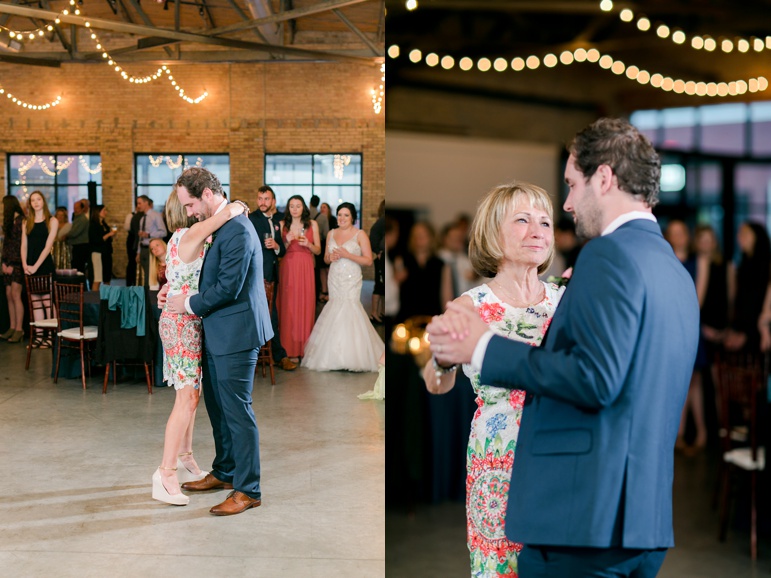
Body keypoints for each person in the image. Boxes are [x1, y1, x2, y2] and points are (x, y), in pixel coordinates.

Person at [428, 118, 700, 577]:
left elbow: (594, 378)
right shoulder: (672, 268)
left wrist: (485, 348)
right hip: (624, 509)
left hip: (572, 499)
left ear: (605, 179)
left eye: (571, 189)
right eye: (523, 219)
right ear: (493, 231)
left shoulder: (600, 262)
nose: (567, 207)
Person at [423, 182, 564, 577]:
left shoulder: (565, 301)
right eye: (522, 220)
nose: (537, 230)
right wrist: (442, 360)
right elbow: (437, 383)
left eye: (545, 222)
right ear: (492, 233)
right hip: (498, 461)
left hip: (559, 458)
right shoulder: (470, 306)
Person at [164, 167, 273, 516]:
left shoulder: (238, 230)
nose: (190, 213)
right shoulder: (222, 224)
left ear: (208, 194)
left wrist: (188, 303)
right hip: (216, 330)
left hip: (237, 334)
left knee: (238, 412)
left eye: (192, 204)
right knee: (218, 408)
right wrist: (177, 289)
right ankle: (225, 471)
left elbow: (228, 287)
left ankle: (248, 489)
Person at [151, 188, 247, 506]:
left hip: (188, 320)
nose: (194, 211)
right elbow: (223, 215)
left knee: (192, 396)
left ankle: (185, 456)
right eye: (190, 206)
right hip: (181, 325)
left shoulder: (186, 237)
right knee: (187, 398)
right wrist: (238, 205)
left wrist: (166, 289)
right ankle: (165, 474)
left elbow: (182, 278)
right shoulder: (190, 232)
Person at [302, 202, 385, 372]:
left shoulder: (360, 234)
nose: (342, 218)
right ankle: (333, 356)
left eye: (346, 215)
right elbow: (325, 258)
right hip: (335, 277)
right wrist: (330, 257)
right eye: (340, 214)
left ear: (353, 217)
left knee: (350, 308)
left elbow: (369, 260)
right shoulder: (331, 233)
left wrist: (348, 255)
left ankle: (352, 356)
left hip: (351, 277)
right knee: (335, 307)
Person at [664, 220, 709, 453]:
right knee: (678, 383)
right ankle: (678, 434)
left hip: (690, 327)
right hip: (669, 330)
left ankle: (701, 431)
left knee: (695, 382)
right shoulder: (665, 261)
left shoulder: (699, 261)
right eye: (674, 233)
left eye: (681, 232)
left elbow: (696, 301)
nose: (678, 236)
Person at [247, 185, 297, 371]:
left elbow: (281, 251)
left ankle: (274, 355)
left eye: (266, 199)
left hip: (271, 275)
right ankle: (277, 355)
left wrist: (276, 245)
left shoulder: (276, 221)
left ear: (273, 201)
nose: (262, 202)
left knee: (271, 315)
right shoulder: (252, 219)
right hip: (258, 276)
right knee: (268, 316)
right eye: (260, 198)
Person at [278, 194, 320, 361]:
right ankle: (288, 348)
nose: (295, 209)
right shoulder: (282, 225)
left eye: (298, 206)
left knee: (305, 304)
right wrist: (287, 241)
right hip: (288, 266)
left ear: (304, 208)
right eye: (292, 206)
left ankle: (305, 349)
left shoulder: (313, 224)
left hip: (306, 266)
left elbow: (318, 250)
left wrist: (308, 245)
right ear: (288, 208)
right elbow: (278, 252)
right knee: (288, 306)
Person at [724, 221, 770, 353]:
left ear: (757, 236)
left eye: (745, 233)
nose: (740, 237)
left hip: (759, 330)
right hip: (746, 330)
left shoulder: (765, 265)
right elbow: (740, 302)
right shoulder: (743, 264)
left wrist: (746, 333)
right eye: (739, 233)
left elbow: (756, 301)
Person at [21, 190, 58, 346]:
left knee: (47, 301)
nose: (35, 202)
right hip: (29, 266)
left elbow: (48, 246)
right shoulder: (26, 222)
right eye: (33, 200)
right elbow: (23, 245)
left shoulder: (52, 221)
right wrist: (24, 265)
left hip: (44, 265)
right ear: (30, 204)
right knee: (35, 302)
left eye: (38, 199)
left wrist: (36, 266)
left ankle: (52, 337)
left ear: (44, 201)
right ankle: (39, 336)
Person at [1, 196, 25, 343]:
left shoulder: (21, 221)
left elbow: (20, 245)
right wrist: (3, 262)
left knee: (16, 295)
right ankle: (12, 326)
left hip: (17, 264)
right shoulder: (10, 222)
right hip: (8, 262)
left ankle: (19, 329)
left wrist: (12, 264)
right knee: (9, 294)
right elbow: (6, 244)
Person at [136, 195, 168, 288]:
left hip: (153, 251)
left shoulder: (156, 216)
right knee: (144, 276)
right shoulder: (142, 219)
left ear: (146, 203)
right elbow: (140, 238)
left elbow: (163, 232)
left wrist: (149, 235)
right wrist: (138, 252)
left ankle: (151, 298)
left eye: (140, 203)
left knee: (151, 276)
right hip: (143, 249)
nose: (138, 206)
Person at [88, 204, 117, 291]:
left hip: (106, 252)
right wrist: (109, 234)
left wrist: (111, 236)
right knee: (97, 278)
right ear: (98, 212)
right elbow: (97, 240)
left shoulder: (104, 224)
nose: (106, 212)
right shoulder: (93, 225)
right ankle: (94, 300)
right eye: (104, 210)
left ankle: (106, 298)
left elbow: (106, 239)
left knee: (107, 277)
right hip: (98, 253)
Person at [316, 202, 337, 303]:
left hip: (330, 246)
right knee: (322, 270)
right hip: (321, 245)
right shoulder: (319, 218)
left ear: (328, 209)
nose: (322, 209)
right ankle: (324, 290)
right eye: (321, 207)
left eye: (324, 207)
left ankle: (330, 291)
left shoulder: (332, 219)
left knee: (329, 270)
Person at [369, 200, 386, 323]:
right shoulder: (382, 221)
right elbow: (373, 236)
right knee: (379, 285)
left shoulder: (383, 220)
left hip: (383, 256)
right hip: (381, 258)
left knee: (383, 286)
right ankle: (374, 313)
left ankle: (381, 312)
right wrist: (378, 251)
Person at [67, 200, 90, 281]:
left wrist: (66, 235)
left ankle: (80, 285)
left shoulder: (82, 219)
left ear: (82, 209)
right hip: (78, 245)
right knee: (77, 267)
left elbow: (74, 232)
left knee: (79, 267)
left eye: (77, 208)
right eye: (74, 208)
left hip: (81, 246)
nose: (75, 209)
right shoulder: (77, 217)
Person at [124, 200, 144, 286]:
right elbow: (127, 228)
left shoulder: (144, 216)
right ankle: (129, 282)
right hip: (132, 239)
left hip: (139, 239)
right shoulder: (131, 215)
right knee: (132, 261)